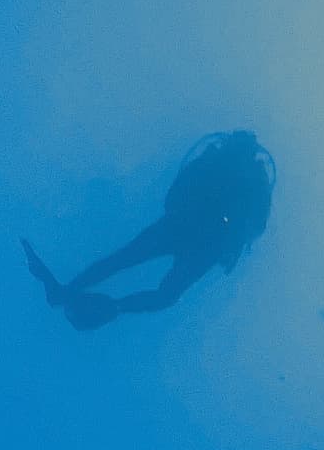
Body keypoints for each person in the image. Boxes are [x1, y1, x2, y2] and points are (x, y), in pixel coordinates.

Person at [23, 130, 274, 329]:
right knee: (165, 294)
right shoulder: (254, 177)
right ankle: (113, 306)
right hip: (206, 243)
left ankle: (72, 293)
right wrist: (230, 245)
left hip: (180, 226)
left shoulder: (214, 160)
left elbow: (176, 191)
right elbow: (256, 227)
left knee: (122, 260)